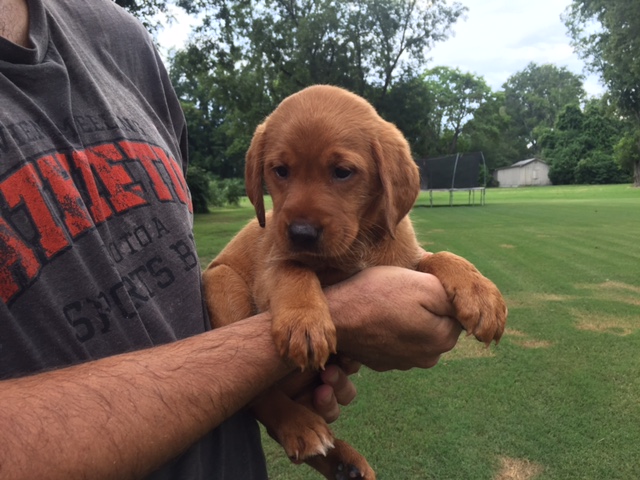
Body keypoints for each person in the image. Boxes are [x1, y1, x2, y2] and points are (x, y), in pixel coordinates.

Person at [0, 0, 462, 478]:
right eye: (279, 173)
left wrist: (451, 272)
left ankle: (293, 418)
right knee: (221, 279)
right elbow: (278, 275)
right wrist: (329, 319)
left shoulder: (120, 40)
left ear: (390, 182)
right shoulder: (284, 239)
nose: (300, 216)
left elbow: (408, 262)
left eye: (342, 172)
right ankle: (280, 414)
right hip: (243, 302)